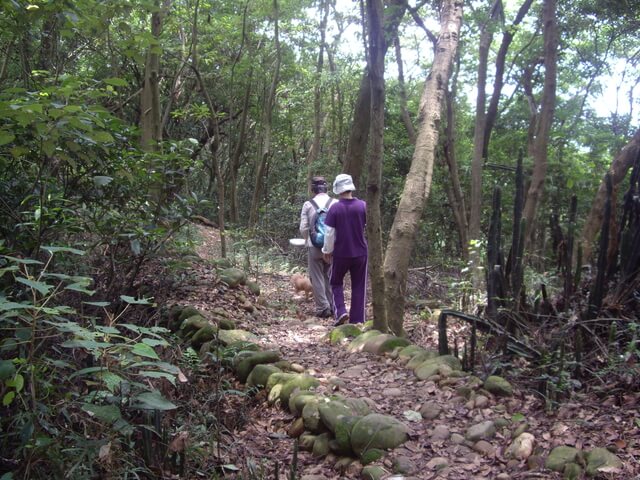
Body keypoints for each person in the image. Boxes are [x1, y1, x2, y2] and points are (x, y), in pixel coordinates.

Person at [322, 174, 368, 325]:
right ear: (350, 187)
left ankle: (341, 311)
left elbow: (329, 233)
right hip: (361, 252)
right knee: (359, 285)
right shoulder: (363, 206)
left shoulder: (335, 209)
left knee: (335, 281)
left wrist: (327, 250)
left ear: (338, 189)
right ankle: (358, 320)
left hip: (341, 253)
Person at [299, 176, 335, 318]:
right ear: (326, 188)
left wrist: (307, 239)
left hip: (314, 246)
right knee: (330, 275)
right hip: (332, 246)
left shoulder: (308, 205)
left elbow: (303, 227)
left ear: (313, 189)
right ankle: (333, 305)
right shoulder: (335, 203)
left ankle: (322, 308)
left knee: (316, 277)